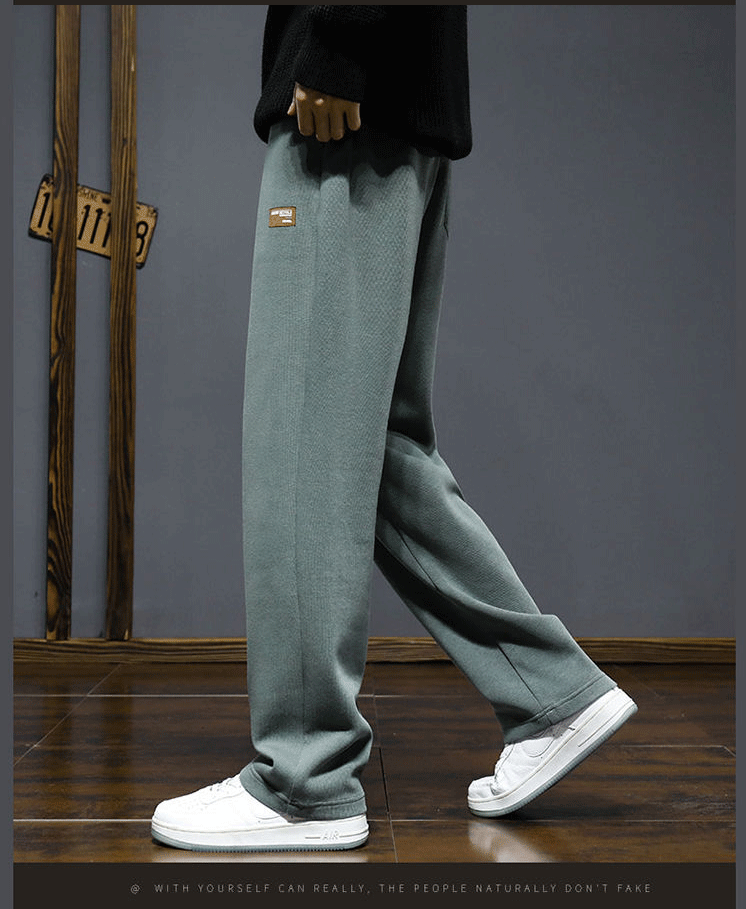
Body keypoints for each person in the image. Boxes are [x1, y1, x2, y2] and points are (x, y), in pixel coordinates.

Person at [151, 5, 636, 852]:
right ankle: (552, 693)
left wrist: (339, 41)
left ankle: (305, 778)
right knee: (369, 448)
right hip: (400, 111)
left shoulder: (342, 66)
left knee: (304, 444)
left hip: (345, 106)